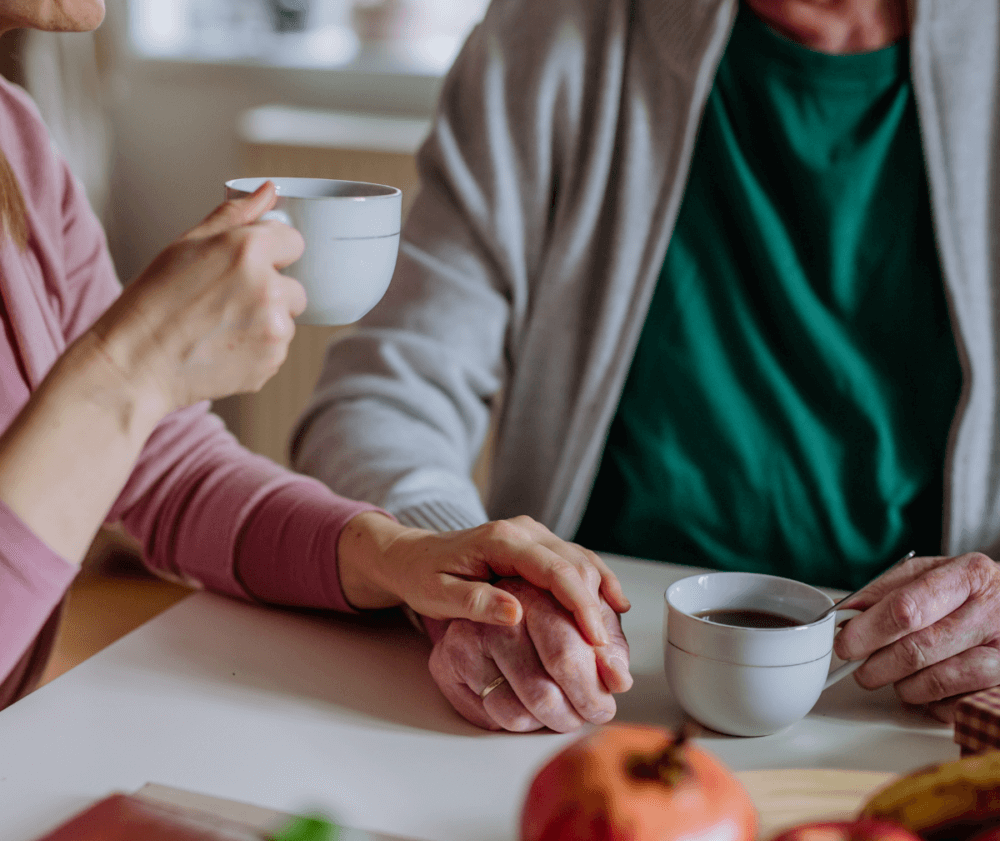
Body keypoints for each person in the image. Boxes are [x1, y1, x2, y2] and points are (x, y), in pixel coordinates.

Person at [293, 0, 1000, 730]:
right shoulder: (547, 36)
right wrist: (469, 578)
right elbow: (380, 397)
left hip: (920, 717)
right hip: (591, 690)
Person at [0, 0, 630, 712]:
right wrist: (130, 370)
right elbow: (121, 418)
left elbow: (163, 471)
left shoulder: (15, 140)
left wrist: (394, 555)